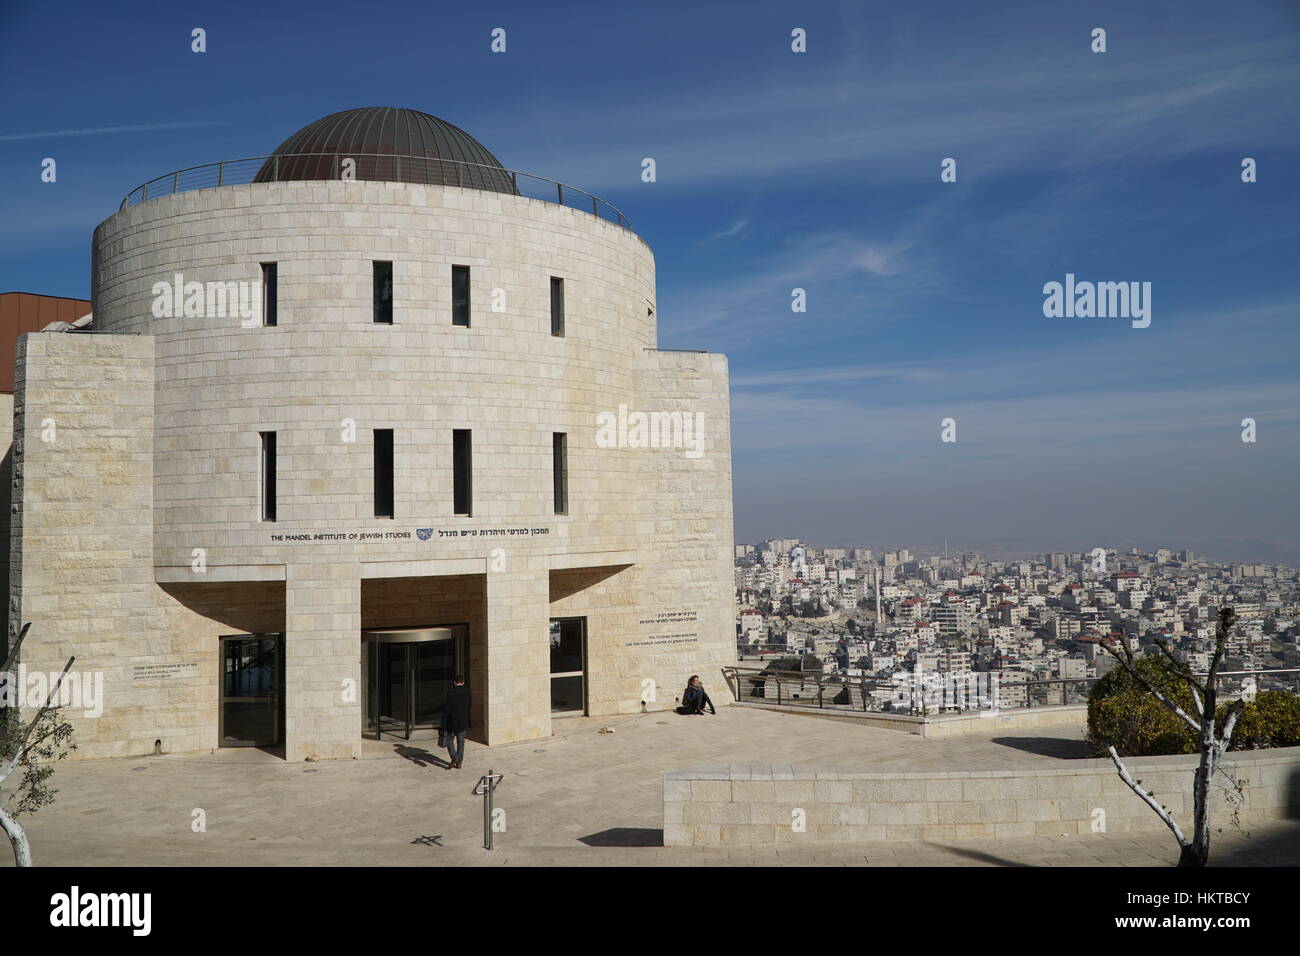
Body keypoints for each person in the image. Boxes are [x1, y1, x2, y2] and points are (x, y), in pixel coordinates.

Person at [442, 675, 471, 769]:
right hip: (463, 722)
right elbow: (470, 705)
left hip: (452, 722)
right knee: (461, 742)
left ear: (454, 682)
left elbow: (447, 709)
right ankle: (459, 762)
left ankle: (454, 757)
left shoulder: (450, 693)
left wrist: (443, 723)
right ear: (463, 682)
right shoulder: (467, 692)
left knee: (449, 740)